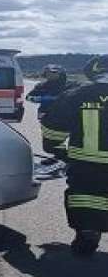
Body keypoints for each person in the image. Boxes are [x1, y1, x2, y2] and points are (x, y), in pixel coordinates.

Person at [41, 55, 108, 256]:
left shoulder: (76, 95)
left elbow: (53, 132)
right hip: (87, 164)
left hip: (87, 165)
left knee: (86, 199)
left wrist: (55, 148)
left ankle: (88, 235)